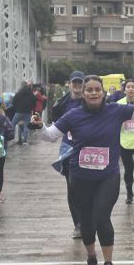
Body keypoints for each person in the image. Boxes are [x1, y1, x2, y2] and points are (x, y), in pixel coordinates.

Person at [40, 76, 134, 265]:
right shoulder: (73, 115)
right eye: (89, 90)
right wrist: (39, 126)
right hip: (80, 177)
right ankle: (91, 257)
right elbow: (49, 135)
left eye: (97, 89)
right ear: (83, 94)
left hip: (107, 176)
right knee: (87, 221)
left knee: (101, 217)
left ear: (103, 92)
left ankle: (108, 264)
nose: (94, 93)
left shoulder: (115, 110)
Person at [52, 71, 85, 237]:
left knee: (88, 187)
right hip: (69, 149)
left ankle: (88, 220)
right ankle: (78, 224)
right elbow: (55, 125)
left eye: (80, 82)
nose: (77, 85)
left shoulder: (91, 101)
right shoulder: (61, 104)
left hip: (88, 149)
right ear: (69, 84)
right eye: (74, 82)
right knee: (72, 188)